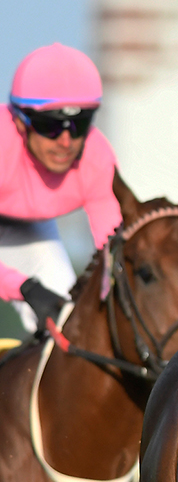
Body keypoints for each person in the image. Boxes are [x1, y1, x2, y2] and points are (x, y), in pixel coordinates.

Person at [0, 43, 121, 336]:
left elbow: (112, 255)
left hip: (24, 229)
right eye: (49, 126)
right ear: (19, 121)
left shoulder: (98, 159)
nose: (65, 141)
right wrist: (23, 287)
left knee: (68, 320)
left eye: (79, 124)